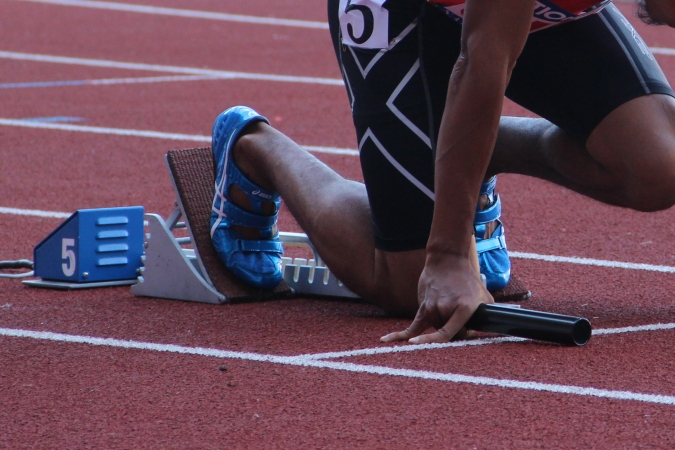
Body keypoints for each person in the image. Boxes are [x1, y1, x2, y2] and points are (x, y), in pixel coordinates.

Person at [209, 0, 675, 344]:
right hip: (401, 10)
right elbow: (479, 65)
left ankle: (468, 157)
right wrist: (449, 255)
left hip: (520, 11)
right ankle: (255, 147)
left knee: (659, 165)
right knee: (410, 284)